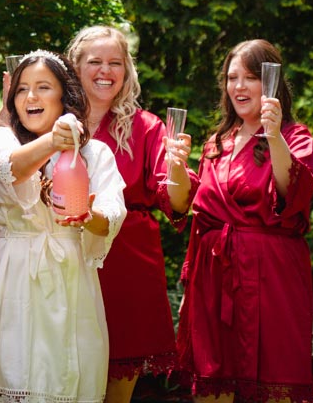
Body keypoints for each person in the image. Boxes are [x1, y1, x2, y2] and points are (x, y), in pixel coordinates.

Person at [0, 49, 128, 402]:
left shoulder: (95, 154)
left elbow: (112, 216)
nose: (31, 97)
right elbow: (4, 172)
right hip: (13, 277)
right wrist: (53, 142)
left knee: (72, 374)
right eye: (22, 89)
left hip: (70, 276)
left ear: (65, 95)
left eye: (43, 87)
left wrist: (89, 217)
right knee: (16, 374)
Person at [175, 39, 313, 403]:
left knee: (273, 377)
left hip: (271, 274)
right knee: (213, 382)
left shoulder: (294, 137)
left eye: (251, 78)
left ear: (271, 85)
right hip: (214, 276)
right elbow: (197, 213)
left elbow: (291, 195)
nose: (238, 87)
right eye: (231, 78)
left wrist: (273, 138)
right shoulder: (216, 143)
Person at [65, 25, 199, 403]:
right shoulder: (52, 119)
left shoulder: (145, 126)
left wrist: (176, 168)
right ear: (75, 67)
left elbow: (175, 202)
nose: (105, 71)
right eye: (95, 62)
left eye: (115, 63)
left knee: (116, 385)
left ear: (127, 71)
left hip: (126, 263)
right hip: (64, 256)